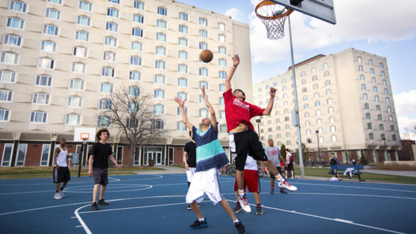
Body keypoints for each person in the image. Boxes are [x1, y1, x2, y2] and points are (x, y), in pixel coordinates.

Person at [224, 54, 297, 212]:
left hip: (250, 133)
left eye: (239, 91)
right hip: (237, 135)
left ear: (243, 95)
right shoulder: (229, 99)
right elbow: (227, 80)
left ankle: (280, 180)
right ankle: (242, 196)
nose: (236, 91)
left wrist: (272, 97)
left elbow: (266, 112)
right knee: (240, 168)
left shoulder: (248, 106)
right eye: (235, 90)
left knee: (266, 158)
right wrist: (235, 65)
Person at [174, 86, 246, 234]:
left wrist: (204, 97)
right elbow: (185, 121)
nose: (205, 118)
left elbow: (212, 113)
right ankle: (201, 220)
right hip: (199, 172)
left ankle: (236, 221)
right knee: (190, 199)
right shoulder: (197, 134)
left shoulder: (212, 132)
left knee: (219, 198)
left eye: (206, 118)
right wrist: (181, 107)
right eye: (203, 118)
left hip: (210, 171)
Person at [88, 128, 120, 211]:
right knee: (97, 184)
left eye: (106, 134)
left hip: (105, 167)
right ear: (100, 136)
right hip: (97, 168)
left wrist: (116, 163)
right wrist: (90, 169)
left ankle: (100, 199)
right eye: (104, 134)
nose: (105, 135)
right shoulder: (95, 146)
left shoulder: (108, 146)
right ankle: (93, 203)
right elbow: (91, 158)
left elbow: (110, 156)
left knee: (104, 184)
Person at [184, 131, 197, 210]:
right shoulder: (188, 145)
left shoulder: (200, 145)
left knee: (198, 184)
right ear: (190, 135)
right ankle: (191, 201)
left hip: (198, 167)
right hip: (190, 167)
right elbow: (185, 155)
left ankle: (197, 200)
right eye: (192, 133)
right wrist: (185, 163)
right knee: (190, 183)